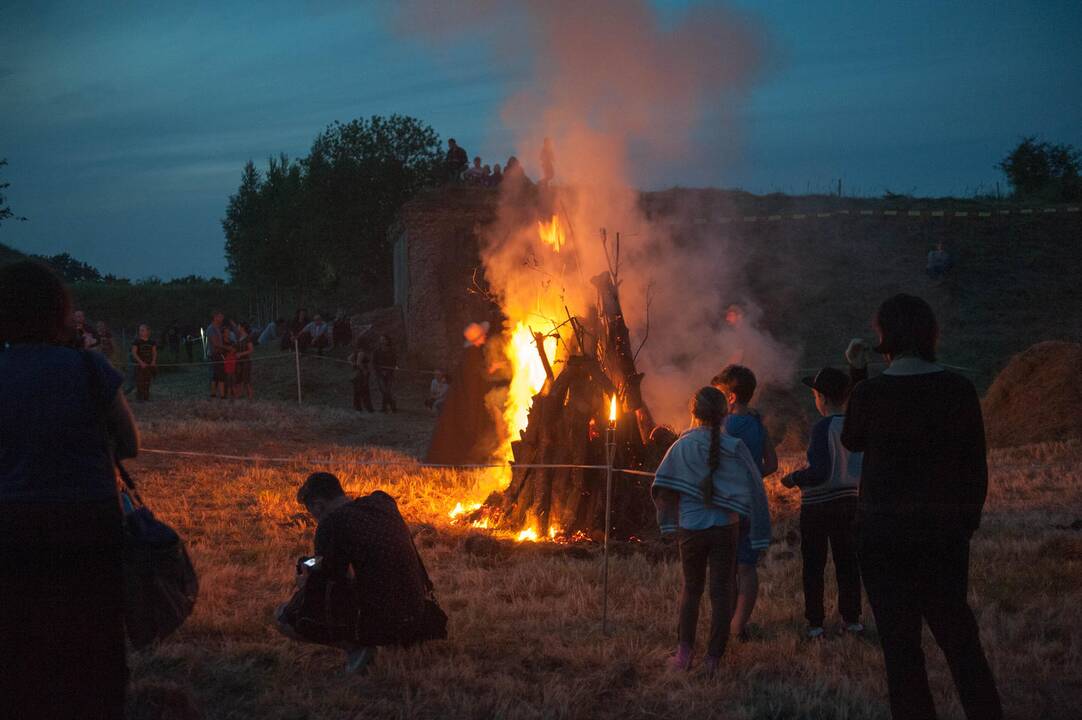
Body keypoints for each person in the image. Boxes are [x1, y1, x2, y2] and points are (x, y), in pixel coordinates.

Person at [842, 294, 1002, 720]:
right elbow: (975, 466)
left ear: (884, 337)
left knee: (901, 652)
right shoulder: (958, 389)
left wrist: (858, 372)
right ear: (930, 334)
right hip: (942, 537)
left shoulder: (872, 394)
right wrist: (965, 523)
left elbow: (852, 439)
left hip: (883, 539)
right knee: (961, 642)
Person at [0, 260, 139, 717]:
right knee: (95, 639)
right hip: (89, 522)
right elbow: (131, 443)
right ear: (59, 311)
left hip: (13, 525)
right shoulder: (88, 367)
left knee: (20, 641)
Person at [651, 387, 770, 674]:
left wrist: (667, 522)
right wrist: (758, 527)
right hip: (727, 528)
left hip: (691, 528)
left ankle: (683, 655)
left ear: (693, 413)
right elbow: (754, 487)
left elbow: (662, 485)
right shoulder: (735, 447)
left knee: (691, 590)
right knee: (722, 592)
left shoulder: (681, 446)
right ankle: (714, 659)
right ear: (725, 413)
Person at [276, 473, 446, 674]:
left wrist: (306, 583)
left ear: (318, 505)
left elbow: (329, 587)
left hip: (382, 622)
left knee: (282, 618)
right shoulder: (382, 502)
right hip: (418, 613)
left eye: (312, 512)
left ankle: (356, 648)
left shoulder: (331, 524)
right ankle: (395, 638)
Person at [780, 366, 863, 639]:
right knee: (848, 562)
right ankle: (851, 620)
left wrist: (793, 478)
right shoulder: (854, 424)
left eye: (815, 394)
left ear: (822, 398)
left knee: (814, 564)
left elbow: (819, 472)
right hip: (850, 502)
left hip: (819, 506)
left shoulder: (822, 428)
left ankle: (815, 623)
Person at [711, 365, 778, 641]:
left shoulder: (721, 427)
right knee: (747, 568)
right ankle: (739, 625)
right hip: (751, 504)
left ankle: (724, 622)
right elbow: (772, 464)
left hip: (724, 506)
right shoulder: (758, 424)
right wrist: (751, 477)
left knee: (724, 569)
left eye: (718, 394)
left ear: (730, 397)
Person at [425, 322, 509, 464]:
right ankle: (470, 458)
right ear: (478, 338)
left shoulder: (470, 354)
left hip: (465, 400)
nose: (485, 337)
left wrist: (494, 367)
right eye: (483, 335)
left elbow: (477, 374)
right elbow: (477, 379)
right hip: (470, 403)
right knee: (470, 430)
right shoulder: (472, 355)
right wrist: (493, 370)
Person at [131, 323, 158, 402]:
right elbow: (134, 353)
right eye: (140, 330)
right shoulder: (137, 341)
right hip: (140, 364)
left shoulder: (152, 342)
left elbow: (154, 352)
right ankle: (139, 397)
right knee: (140, 381)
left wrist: (153, 361)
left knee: (147, 380)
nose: (141, 332)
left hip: (149, 363)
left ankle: (146, 397)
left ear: (148, 331)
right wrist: (141, 362)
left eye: (143, 330)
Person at [372, 334, 397, 413]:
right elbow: (374, 363)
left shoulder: (392, 351)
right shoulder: (377, 351)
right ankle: (392, 405)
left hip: (389, 374)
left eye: (383, 339)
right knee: (383, 390)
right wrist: (380, 371)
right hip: (380, 374)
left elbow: (394, 362)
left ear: (387, 340)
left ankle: (384, 407)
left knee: (387, 390)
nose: (382, 341)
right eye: (381, 339)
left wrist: (389, 371)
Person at [206, 311, 227, 398]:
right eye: (220, 316)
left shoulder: (217, 328)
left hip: (218, 354)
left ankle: (214, 394)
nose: (222, 318)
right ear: (215, 317)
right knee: (220, 374)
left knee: (216, 375)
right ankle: (222, 395)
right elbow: (215, 344)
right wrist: (227, 348)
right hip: (215, 354)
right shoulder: (211, 329)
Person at [349, 341, 374, 413]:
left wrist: (352, 364)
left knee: (357, 390)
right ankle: (368, 408)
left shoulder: (357, 352)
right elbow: (359, 363)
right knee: (364, 390)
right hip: (361, 374)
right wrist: (364, 371)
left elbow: (349, 358)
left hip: (357, 373)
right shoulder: (362, 353)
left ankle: (358, 407)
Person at [234, 322, 254, 399]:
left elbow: (251, 350)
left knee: (246, 379)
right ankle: (239, 394)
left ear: (242, 327)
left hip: (245, 361)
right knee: (239, 378)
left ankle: (250, 395)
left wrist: (241, 354)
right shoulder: (239, 337)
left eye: (239, 326)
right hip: (239, 361)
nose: (238, 327)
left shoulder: (247, 338)